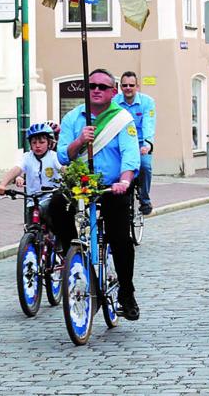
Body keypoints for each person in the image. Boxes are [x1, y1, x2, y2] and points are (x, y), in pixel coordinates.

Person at [48, 68, 141, 320]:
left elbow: (130, 156)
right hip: (80, 184)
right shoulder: (73, 118)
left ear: (113, 91)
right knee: (55, 206)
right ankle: (75, 259)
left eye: (102, 87)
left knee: (120, 236)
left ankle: (126, 292)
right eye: (91, 86)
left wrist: (124, 180)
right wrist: (80, 141)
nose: (96, 90)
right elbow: (62, 156)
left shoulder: (122, 119)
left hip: (111, 186)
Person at [0, 123, 65, 221]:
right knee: (30, 226)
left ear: (49, 143)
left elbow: (63, 169)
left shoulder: (54, 156)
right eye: (34, 142)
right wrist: (2, 184)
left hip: (51, 199)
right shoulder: (27, 157)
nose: (37, 146)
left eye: (41, 142)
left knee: (56, 227)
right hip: (32, 200)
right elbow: (17, 168)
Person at [112, 71, 156, 215]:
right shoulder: (114, 102)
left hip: (139, 144)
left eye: (131, 85)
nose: (128, 88)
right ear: (120, 87)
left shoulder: (147, 102)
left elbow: (148, 125)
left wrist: (147, 145)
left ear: (137, 86)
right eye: (124, 85)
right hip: (120, 143)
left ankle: (145, 199)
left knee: (144, 165)